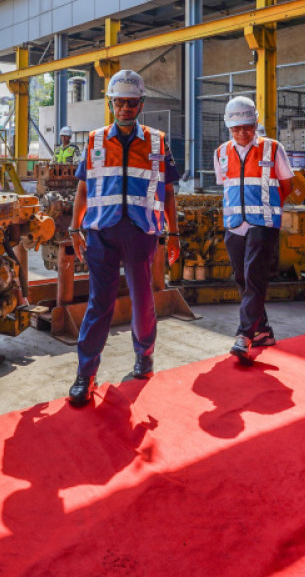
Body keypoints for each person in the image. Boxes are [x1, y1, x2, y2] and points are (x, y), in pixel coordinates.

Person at [68, 70, 182, 406]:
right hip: (100, 233)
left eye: (131, 103)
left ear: (141, 104)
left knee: (143, 298)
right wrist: (75, 228)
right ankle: (85, 374)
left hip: (140, 231)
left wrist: (174, 234)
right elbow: (83, 188)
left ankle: (144, 355)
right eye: (119, 103)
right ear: (111, 104)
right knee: (98, 304)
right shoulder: (95, 140)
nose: (125, 108)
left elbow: (169, 192)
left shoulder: (158, 142)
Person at [214, 96, 293, 363]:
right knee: (243, 279)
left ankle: (244, 335)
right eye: (236, 129)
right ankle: (263, 331)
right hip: (235, 224)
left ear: (256, 123)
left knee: (255, 277)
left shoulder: (273, 148)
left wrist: (269, 209)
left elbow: (286, 185)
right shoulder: (221, 152)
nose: (242, 133)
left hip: (263, 223)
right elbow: (227, 185)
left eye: (247, 127)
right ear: (228, 127)